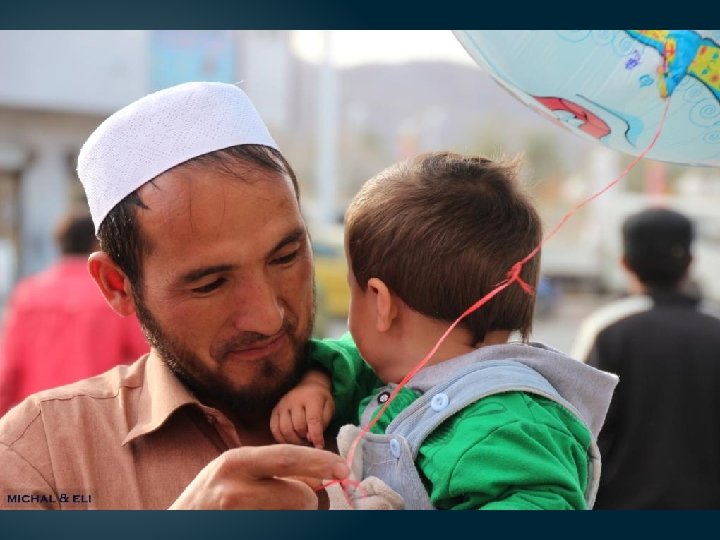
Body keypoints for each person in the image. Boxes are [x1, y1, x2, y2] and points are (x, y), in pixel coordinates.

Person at [0, 81, 358, 510]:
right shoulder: (40, 461)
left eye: (286, 257)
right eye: (210, 285)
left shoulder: (402, 397)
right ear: (117, 286)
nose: (268, 317)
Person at [271, 151, 619, 509]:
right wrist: (317, 382)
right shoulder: (406, 375)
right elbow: (351, 356)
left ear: (380, 301)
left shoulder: (502, 421)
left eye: (353, 289)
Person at [570, 207, 720, 509]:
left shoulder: (607, 329)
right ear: (691, 261)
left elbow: (578, 430)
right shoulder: (714, 328)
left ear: (625, 263)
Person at [0, 210, 149, 416]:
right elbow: (146, 358)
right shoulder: (114, 292)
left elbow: (8, 372)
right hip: (98, 417)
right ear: (98, 244)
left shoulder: (27, 294)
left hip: (36, 419)